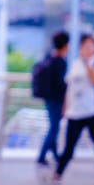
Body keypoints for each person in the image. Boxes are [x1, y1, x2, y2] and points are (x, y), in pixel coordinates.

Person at [50, 33, 94, 185]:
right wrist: (65, 108)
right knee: (69, 145)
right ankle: (57, 174)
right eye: (84, 45)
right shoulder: (75, 63)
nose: (88, 48)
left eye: (91, 45)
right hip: (75, 112)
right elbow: (70, 87)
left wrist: (86, 63)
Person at [35, 30, 69, 166]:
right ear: (66, 45)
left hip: (49, 98)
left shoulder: (49, 57)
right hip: (57, 100)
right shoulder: (60, 62)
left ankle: (55, 155)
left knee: (53, 126)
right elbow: (59, 83)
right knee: (54, 128)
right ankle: (42, 156)